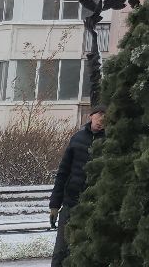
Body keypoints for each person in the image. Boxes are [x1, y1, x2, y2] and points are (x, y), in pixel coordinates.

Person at [48, 107, 106, 267]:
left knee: (88, 253)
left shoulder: (109, 141)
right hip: (70, 203)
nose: (102, 119)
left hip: (94, 206)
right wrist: (54, 205)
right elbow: (63, 173)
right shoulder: (77, 139)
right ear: (91, 116)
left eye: (106, 116)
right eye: (100, 115)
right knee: (61, 251)